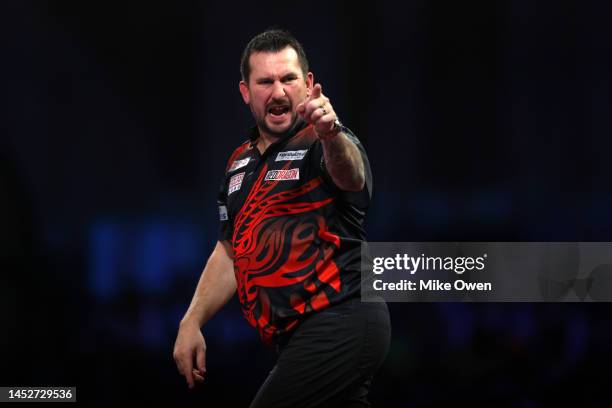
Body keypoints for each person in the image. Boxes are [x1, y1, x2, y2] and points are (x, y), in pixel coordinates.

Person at [173, 29, 391, 407]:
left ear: (307, 85)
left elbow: (352, 178)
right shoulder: (237, 165)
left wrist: (331, 133)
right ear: (245, 92)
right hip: (292, 336)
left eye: (288, 79)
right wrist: (191, 321)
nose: (278, 92)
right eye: (265, 82)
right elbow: (229, 251)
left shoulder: (323, 141)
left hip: (340, 319)